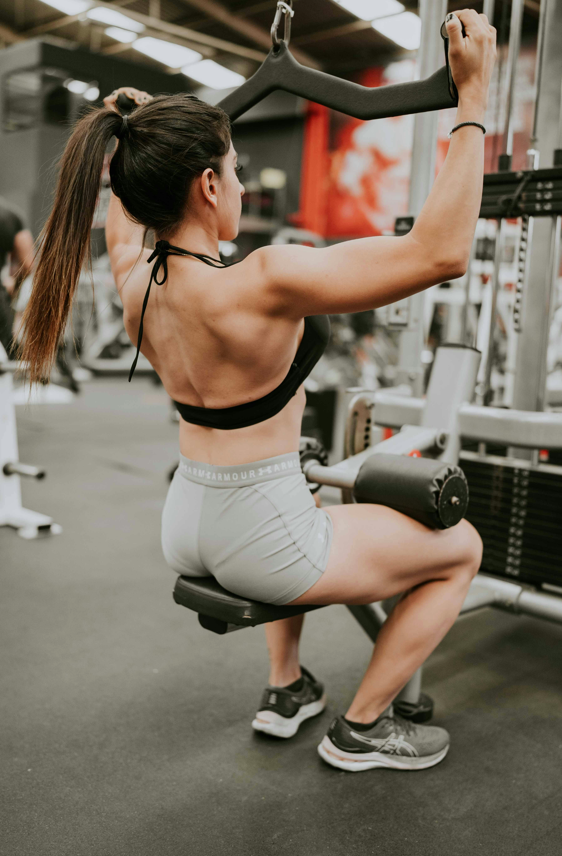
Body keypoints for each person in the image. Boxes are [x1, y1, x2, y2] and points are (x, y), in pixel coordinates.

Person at [19, 10, 496, 772]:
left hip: (187, 517)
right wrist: (473, 102)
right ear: (208, 185)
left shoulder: (136, 279)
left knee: (310, 496)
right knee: (460, 548)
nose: (241, 181)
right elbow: (439, 254)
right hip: (263, 536)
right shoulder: (264, 279)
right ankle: (364, 728)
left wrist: (126, 129)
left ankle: (287, 687)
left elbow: (124, 221)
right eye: (235, 169)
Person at [0, 198, 34, 357]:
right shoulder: (10, 215)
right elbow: (27, 263)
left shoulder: (8, 216)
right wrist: (14, 283)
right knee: (9, 352)